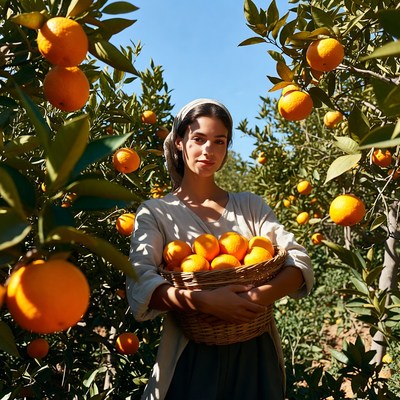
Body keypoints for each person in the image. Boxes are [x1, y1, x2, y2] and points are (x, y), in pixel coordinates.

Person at [126, 98, 314, 400]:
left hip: (255, 351)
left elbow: (296, 259)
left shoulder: (250, 206)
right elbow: (141, 280)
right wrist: (202, 302)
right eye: (198, 139)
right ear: (178, 142)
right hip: (191, 356)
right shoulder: (156, 213)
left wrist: (253, 298)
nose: (208, 151)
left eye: (219, 141)